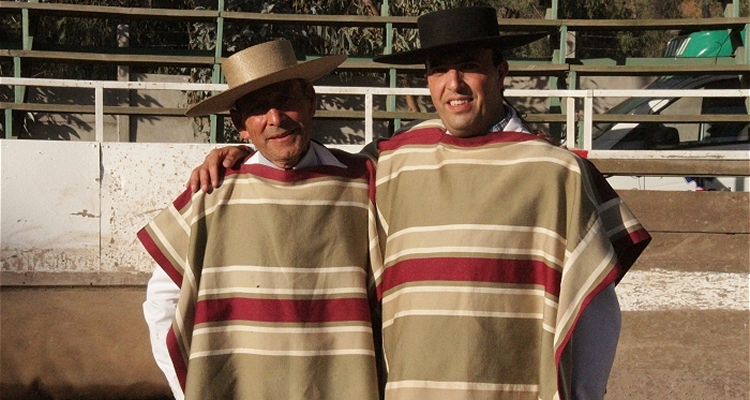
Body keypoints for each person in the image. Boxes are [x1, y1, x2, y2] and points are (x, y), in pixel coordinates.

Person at [187, 7, 651, 400]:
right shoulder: (393, 160)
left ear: (500, 71)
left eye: (468, 66)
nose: (454, 84)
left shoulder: (556, 172)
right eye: (438, 70)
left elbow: (595, 304)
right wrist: (245, 155)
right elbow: (312, 174)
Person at [139, 39, 381, 400]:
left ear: (311, 101)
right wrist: (189, 390)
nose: (275, 119)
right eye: (257, 108)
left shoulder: (363, 182)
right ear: (239, 124)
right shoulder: (213, 192)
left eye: (285, 100)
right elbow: (162, 302)